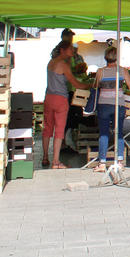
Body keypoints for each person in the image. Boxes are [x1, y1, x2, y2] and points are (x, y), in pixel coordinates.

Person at [42, 40, 91, 169]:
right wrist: (92, 84)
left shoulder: (50, 63)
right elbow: (76, 84)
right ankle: (56, 161)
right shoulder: (63, 65)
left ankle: (45, 157)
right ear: (63, 50)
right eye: (70, 49)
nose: (72, 51)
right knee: (59, 130)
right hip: (60, 99)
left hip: (48, 97)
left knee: (47, 128)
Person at [93, 47, 130, 172]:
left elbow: (95, 87)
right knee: (119, 133)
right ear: (117, 57)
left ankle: (102, 163)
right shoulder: (123, 71)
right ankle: (119, 161)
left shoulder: (100, 71)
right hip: (119, 105)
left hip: (103, 105)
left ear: (105, 57)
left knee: (103, 133)